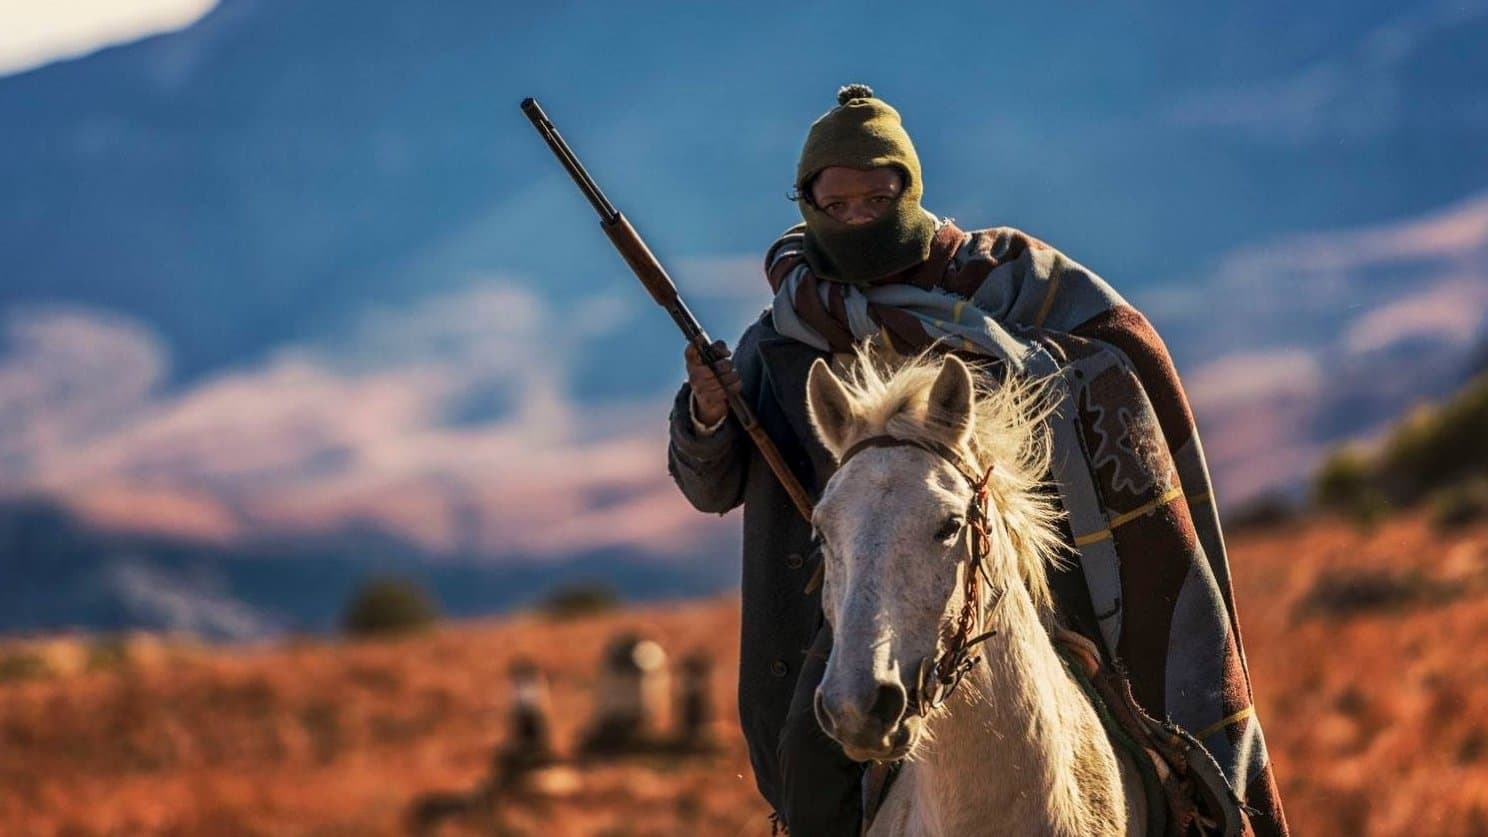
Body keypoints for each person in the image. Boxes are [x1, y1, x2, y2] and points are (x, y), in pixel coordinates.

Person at [667, 84, 1288, 836]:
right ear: (809, 205)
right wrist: (707, 410)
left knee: (1161, 724)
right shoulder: (781, 342)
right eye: (840, 203)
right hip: (857, 593)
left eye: (877, 196)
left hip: (1035, 567)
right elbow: (712, 483)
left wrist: (1009, 371)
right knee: (811, 763)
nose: (860, 216)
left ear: (909, 189)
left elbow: (1113, 352)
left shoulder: (1002, 281)